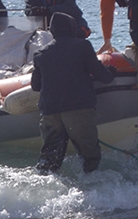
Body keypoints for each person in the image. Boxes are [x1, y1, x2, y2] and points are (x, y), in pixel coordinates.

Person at [30, 12, 117, 174]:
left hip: (50, 112)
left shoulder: (40, 53)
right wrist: (110, 73)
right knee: (90, 158)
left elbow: (36, 86)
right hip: (78, 109)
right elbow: (102, 76)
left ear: (52, 31)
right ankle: (91, 184)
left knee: (49, 159)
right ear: (72, 28)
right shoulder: (83, 46)